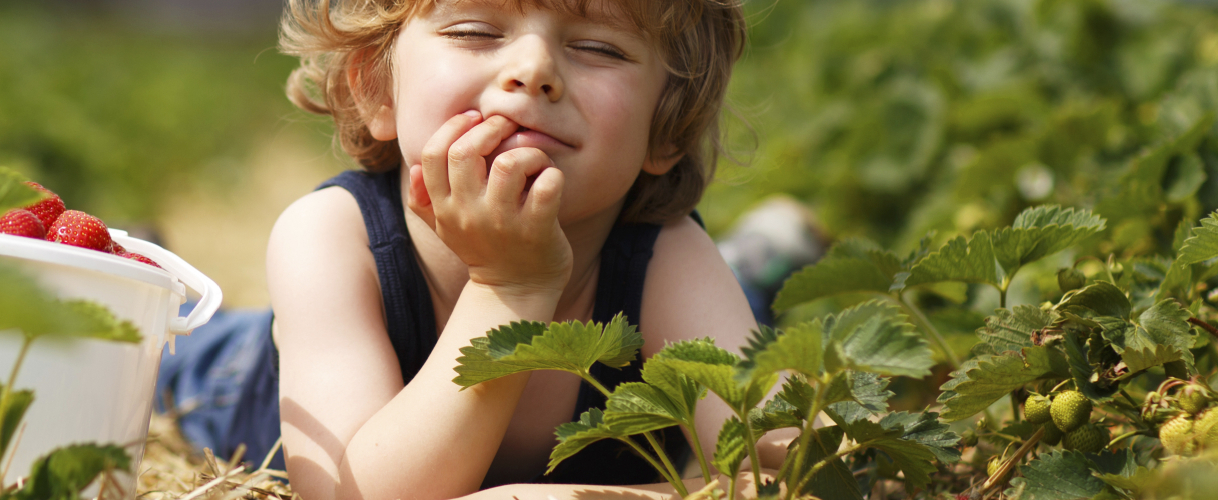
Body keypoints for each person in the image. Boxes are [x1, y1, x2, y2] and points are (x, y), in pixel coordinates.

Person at [156, 0, 790, 498]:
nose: (535, 70)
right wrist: (510, 287)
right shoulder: (329, 233)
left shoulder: (667, 258)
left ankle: (754, 269)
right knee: (157, 345)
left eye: (598, 47)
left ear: (667, 123)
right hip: (233, 378)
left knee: (727, 305)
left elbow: (804, 472)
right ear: (377, 87)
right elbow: (360, 496)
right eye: (474, 32)